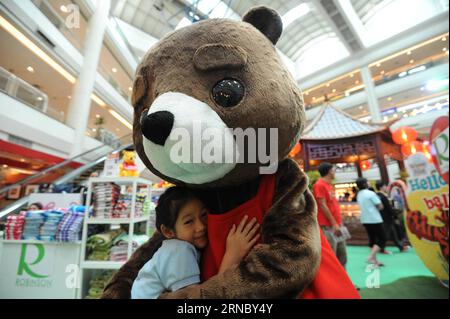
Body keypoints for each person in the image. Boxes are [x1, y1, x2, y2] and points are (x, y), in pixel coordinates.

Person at [131, 186, 260, 299]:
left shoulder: (175, 248)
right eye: (188, 222)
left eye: (203, 215)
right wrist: (232, 256)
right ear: (168, 232)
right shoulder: (178, 250)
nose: (201, 227)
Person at [312, 162, 347, 267]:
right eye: (333, 170)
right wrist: (333, 223)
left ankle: (343, 279)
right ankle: (335, 281)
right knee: (332, 256)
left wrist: (338, 222)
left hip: (336, 225)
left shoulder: (329, 185)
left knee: (342, 255)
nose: (334, 172)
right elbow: (322, 205)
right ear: (329, 171)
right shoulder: (319, 185)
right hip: (329, 226)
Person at [356, 178, 386, 266]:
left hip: (365, 219)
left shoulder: (359, 194)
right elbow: (380, 206)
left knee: (372, 239)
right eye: (367, 181)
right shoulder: (371, 193)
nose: (369, 182)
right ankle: (371, 256)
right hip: (375, 219)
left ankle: (374, 260)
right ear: (365, 184)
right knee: (382, 238)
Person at [375, 181, 408, 253]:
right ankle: (381, 248)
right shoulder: (383, 196)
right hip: (387, 217)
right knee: (386, 234)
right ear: (381, 187)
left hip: (382, 217)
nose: (386, 188)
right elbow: (388, 208)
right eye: (385, 186)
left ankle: (400, 247)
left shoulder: (377, 195)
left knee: (392, 233)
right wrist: (395, 215)